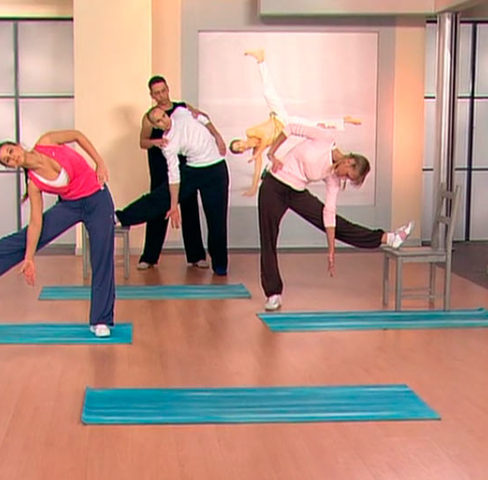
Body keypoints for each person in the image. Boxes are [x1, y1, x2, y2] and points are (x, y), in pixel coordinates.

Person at [0, 130, 116, 337]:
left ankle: (100, 320)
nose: (12, 158)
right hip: (71, 205)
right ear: (11, 167)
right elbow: (36, 223)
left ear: (18, 146)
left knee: (102, 258)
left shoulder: (47, 141)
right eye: (8, 161)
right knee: (28, 237)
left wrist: (100, 163)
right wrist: (29, 258)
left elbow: (77, 136)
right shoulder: (34, 183)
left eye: (11, 152)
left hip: (97, 199)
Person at [259, 122, 414, 311]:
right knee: (268, 238)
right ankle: (273, 294)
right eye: (348, 175)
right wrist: (271, 153)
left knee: (338, 224)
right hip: (274, 185)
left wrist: (331, 249)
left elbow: (329, 214)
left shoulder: (334, 179)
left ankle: (388, 238)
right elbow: (290, 128)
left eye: (349, 179)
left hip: (297, 191)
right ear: (349, 161)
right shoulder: (324, 138)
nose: (344, 178)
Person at [229, 49, 362, 197]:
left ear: (240, 140)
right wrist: (253, 188)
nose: (242, 147)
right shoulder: (256, 151)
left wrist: (260, 152)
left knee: (269, 94)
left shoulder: (250, 133)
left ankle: (261, 60)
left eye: (239, 144)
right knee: (317, 128)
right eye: (240, 150)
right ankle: (344, 120)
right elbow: (257, 170)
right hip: (285, 127)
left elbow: (265, 138)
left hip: (281, 119)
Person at [116, 105, 230, 276]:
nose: (164, 121)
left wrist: (218, 137)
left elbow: (203, 118)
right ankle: (121, 217)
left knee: (217, 221)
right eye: (159, 121)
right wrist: (173, 205)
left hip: (216, 169)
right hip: (193, 169)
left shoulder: (180, 113)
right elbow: (174, 175)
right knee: (158, 198)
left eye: (163, 116)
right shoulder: (168, 143)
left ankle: (220, 265)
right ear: (156, 126)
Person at [138, 75, 208, 271]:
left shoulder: (181, 109)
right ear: (152, 95)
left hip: (184, 166)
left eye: (163, 91)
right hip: (160, 169)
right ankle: (149, 256)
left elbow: (201, 119)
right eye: (157, 93)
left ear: (168, 89)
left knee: (190, 208)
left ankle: (196, 256)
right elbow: (142, 142)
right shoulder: (150, 117)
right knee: (158, 210)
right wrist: (156, 142)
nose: (161, 95)